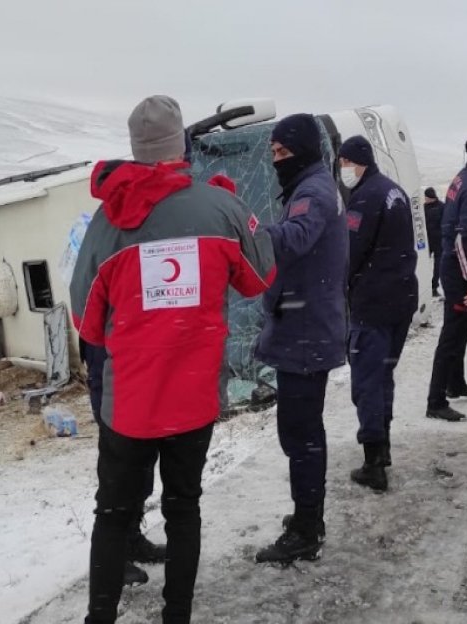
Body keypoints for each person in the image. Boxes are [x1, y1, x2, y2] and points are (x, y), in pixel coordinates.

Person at [70, 95, 275, 624]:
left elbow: (85, 320)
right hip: (192, 398)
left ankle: (100, 616)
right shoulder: (219, 208)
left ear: (136, 151)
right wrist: (233, 217)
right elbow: (258, 278)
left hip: (130, 406)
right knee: (184, 508)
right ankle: (176, 615)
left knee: (113, 514)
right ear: (182, 144)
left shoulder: (108, 222)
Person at [253, 113, 348, 565]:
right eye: (272, 153)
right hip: (303, 329)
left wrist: (247, 230)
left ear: (304, 150)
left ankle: (308, 528)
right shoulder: (310, 184)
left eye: (283, 152)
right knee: (300, 432)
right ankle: (308, 517)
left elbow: (294, 238)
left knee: (301, 433)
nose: (276, 160)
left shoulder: (312, 191)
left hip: (306, 334)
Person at [337, 135, 418, 493]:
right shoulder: (393, 190)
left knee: (367, 382)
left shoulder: (365, 197)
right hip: (401, 298)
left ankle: (373, 462)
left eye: (344, 163)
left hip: (373, 303)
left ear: (357, 162)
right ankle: (381, 447)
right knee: (383, 376)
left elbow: (350, 253)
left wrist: (337, 285)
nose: (343, 171)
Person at [79, 341, 161, 588]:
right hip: (109, 356)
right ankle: (113, 562)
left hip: (136, 360)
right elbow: (87, 320)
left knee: (143, 471)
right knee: (116, 486)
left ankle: (132, 540)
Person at [425, 133, 467, 422]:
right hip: (458, 269)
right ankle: (436, 400)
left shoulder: (462, 177)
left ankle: (456, 382)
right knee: (452, 334)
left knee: (463, 327)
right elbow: (462, 240)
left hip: (454, 265)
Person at [423, 187, 444, 298]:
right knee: (423, 264)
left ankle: (434, 287)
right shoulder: (423, 208)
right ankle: (424, 287)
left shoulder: (441, 206)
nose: (425, 199)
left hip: (439, 241)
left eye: (426, 197)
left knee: (438, 266)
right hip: (427, 241)